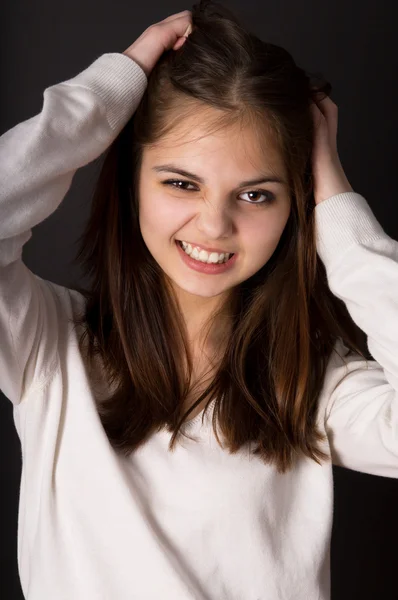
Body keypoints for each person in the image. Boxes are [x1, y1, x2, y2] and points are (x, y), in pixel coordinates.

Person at [0, 1, 397, 598]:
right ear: (131, 177)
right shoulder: (48, 348)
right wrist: (111, 93)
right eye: (182, 183)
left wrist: (335, 197)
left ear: (297, 207)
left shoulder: (311, 383)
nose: (214, 225)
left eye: (257, 195)